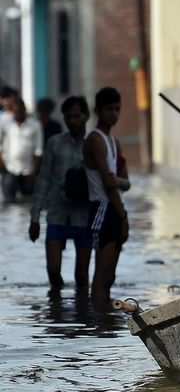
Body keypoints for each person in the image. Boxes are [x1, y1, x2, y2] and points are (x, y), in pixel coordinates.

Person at [29, 96, 91, 290]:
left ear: (86, 116)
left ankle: (83, 315)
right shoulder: (54, 144)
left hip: (84, 216)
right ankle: (56, 312)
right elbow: (44, 180)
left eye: (77, 116)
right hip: (57, 214)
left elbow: (103, 183)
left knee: (82, 276)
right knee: (53, 272)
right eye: (69, 117)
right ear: (64, 119)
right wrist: (35, 218)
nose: (74, 121)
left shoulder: (93, 145)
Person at [84, 87, 131, 309]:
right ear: (98, 111)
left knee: (110, 273)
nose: (114, 114)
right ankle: (98, 320)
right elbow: (108, 182)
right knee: (101, 274)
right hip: (101, 208)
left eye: (117, 109)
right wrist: (122, 214)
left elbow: (124, 181)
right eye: (109, 109)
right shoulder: (95, 139)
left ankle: (104, 318)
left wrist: (122, 214)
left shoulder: (114, 141)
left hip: (115, 208)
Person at [0, 98, 43, 203]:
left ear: (24, 110)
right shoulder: (6, 124)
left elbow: (38, 150)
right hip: (10, 170)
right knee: (8, 203)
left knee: (28, 203)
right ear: (12, 111)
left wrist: (34, 172)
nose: (18, 113)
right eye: (15, 111)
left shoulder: (35, 125)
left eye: (20, 111)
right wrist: (3, 167)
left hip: (28, 172)